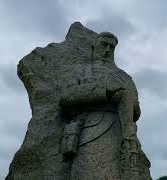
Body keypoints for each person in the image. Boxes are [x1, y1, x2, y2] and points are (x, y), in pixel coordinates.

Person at [60, 32, 148, 180]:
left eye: (111, 47)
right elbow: (67, 95)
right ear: (94, 46)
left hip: (121, 133)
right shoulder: (82, 70)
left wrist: (125, 98)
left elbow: (137, 112)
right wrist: (105, 90)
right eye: (104, 45)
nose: (107, 50)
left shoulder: (124, 77)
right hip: (90, 128)